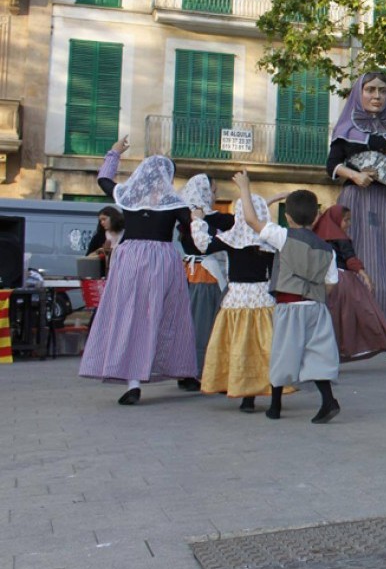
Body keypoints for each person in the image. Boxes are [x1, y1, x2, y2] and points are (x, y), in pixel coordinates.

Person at [78, 136, 197, 405]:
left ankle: (132, 380)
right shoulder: (175, 204)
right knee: (166, 315)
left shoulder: (127, 197)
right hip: (162, 259)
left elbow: (103, 181)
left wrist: (115, 153)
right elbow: (193, 231)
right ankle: (180, 370)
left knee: (128, 315)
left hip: (129, 258)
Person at [234, 172, 341, 423]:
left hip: (288, 305)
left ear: (288, 216)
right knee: (318, 354)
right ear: (316, 217)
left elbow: (251, 219)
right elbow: (331, 284)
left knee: (282, 352)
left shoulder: (283, 236)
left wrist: (245, 187)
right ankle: (328, 400)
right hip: (316, 307)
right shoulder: (328, 249)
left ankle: (275, 406)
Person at [326, 71, 386, 340]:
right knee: (360, 259)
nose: (377, 96)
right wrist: (355, 175)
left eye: (383, 91)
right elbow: (332, 166)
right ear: (359, 93)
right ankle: (359, 328)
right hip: (356, 202)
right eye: (371, 90)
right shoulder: (345, 128)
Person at [189, 191, 278, 412]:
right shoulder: (268, 240)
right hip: (262, 299)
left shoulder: (231, 238)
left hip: (236, 301)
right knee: (265, 347)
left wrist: (198, 221)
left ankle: (245, 394)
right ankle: (272, 392)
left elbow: (203, 245)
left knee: (238, 347)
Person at [313, 204, 386, 364]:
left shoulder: (319, 237)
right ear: (337, 220)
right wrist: (364, 275)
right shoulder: (340, 237)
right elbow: (350, 259)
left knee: (336, 319)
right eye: (346, 220)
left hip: (326, 283)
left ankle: (330, 354)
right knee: (369, 313)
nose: (348, 224)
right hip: (345, 281)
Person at [176, 173, 235, 392]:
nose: (215, 194)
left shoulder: (188, 216)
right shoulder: (201, 218)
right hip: (205, 278)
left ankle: (190, 373)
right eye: (213, 190)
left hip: (195, 277)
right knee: (205, 327)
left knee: (194, 326)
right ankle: (204, 373)